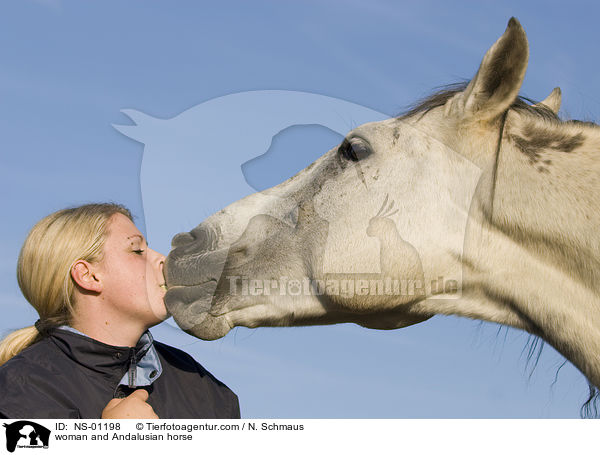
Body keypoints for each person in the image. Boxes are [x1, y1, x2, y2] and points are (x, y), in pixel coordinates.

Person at [0, 203, 240, 419]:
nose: (163, 259)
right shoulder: (20, 393)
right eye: (137, 251)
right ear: (88, 275)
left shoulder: (203, 389)